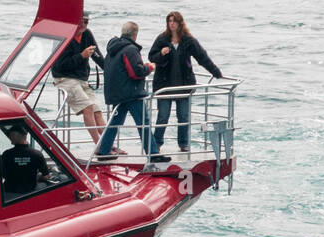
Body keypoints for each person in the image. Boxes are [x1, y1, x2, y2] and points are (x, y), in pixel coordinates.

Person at [147, 10, 224, 153]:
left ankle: (183, 143)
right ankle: (156, 143)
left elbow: (202, 58)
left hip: (184, 85)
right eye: (169, 21)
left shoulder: (188, 40)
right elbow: (152, 57)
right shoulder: (162, 39)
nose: (172, 24)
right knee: (162, 116)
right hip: (165, 86)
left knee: (183, 117)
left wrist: (216, 72)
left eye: (174, 21)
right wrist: (161, 54)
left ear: (180, 23)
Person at [95, 21, 168, 162]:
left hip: (117, 92)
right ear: (135, 35)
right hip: (131, 93)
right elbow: (136, 72)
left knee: (114, 123)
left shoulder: (113, 48)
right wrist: (149, 67)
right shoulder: (130, 49)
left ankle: (104, 151)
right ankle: (153, 154)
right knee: (144, 123)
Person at [50, 10, 119, 150]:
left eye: (86, 22)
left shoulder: (87, 34)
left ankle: (109, 145)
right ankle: (99, 146)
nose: (83, 24)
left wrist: (112, 72)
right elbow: (58, 66)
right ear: (75, 21)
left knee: (97, 111)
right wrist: (81, 56)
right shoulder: (65, 36)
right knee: (88, 107)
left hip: (81, 79)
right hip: (65, 78)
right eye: (81, 21)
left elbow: (98, 56)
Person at [0, 124, 51, 197]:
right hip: (29, 192)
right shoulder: (37, 154)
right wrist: (38, 177)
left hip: (9, 192)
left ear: (14, 136)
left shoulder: (6, 154)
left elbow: (2, 174)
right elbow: (46, 176)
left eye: (10, 135)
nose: (10, 137)